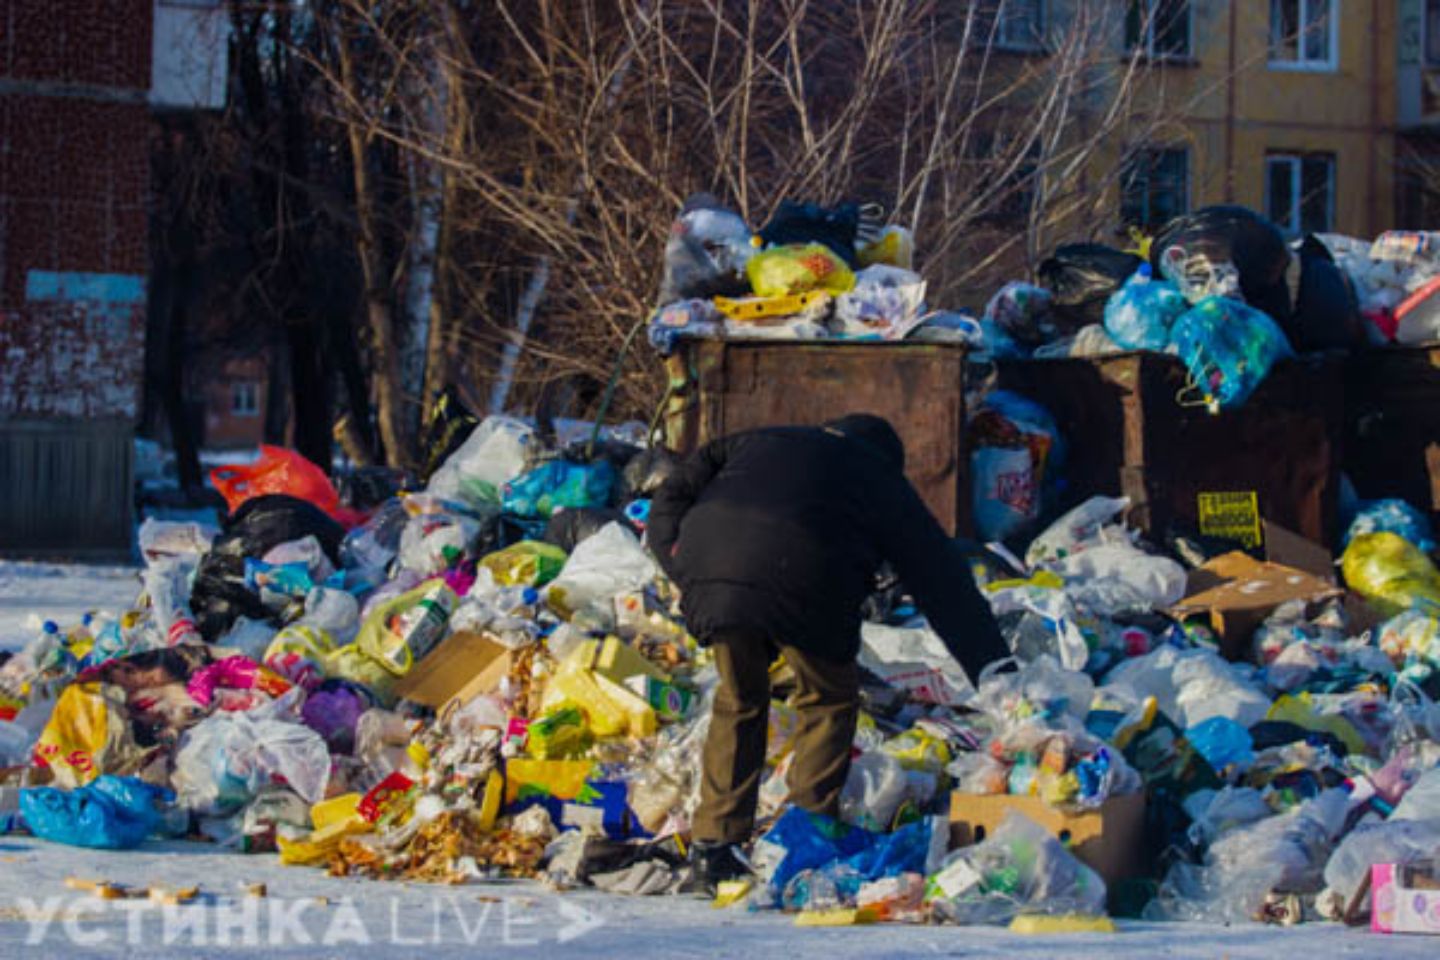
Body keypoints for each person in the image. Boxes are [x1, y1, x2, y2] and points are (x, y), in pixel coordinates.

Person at [647, 413, 1008, 894]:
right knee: (828, 700)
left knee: (739, 699)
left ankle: (714, 849)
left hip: (709, 570)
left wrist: (680, 563)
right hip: (805, 580)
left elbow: (671, 491)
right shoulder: (877, 476)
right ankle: (803, 838)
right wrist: (998, 673)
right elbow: (942, 582)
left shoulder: (754, 436)